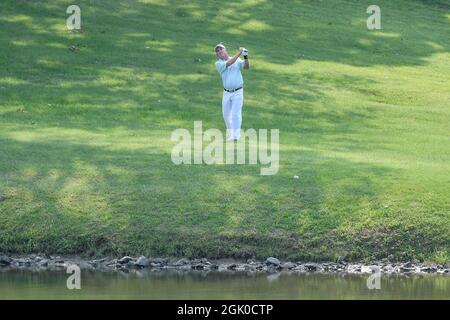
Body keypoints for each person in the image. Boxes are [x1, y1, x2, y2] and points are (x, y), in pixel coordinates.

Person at [214, 43, 250, 141]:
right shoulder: (218, 64)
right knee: (226, 115)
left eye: (221, 49)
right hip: (226, 92)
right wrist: (239, 52)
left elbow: (246, 67)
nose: (219, 52)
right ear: (217, 55)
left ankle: (236, 136)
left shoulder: (237, 59)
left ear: (225, 50)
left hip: (238, 91)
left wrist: (246, 56)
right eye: (217, 51)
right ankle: (231, 134)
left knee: (235, 113)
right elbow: (229, 63)